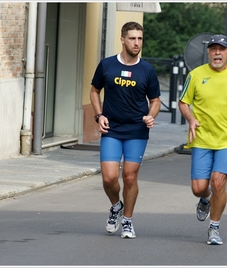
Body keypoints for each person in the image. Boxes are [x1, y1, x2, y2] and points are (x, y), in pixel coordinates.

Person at [178, 34, 227, 245]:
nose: (217, 53)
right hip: (202, 138)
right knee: (198, 188)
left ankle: (214, 228)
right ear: (208, 52)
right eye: (213, 49)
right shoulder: (195, 75)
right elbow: (183, 102)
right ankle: (205, 199)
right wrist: (191, 119)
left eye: (222, 49)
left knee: (218, 182)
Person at [89, 21, 161, 238]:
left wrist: (151, 115)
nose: (137, 43)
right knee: (109, 178)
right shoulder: (107, 65)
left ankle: (128, 220)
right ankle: (116, 206)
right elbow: (94, 91)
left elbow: (155, 100)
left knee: (129, 177)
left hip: (137, 131)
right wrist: (99, 115)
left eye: (140, 38)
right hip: (112, 128)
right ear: (122, 40)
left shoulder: (147, 70)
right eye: (132, 38)